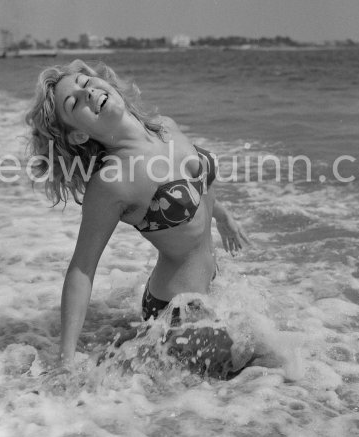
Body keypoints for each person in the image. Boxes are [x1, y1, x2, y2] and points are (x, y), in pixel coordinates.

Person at [26, 60, 249, 378]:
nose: (86, 91)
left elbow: (197, 187)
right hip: (179, 311)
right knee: (267, 375)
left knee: (274, 370)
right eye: (73, 102)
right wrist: (66, 360)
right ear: (77, 135)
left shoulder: (165, 127)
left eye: (84, 81)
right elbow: (82, 268)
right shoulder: (112, 181)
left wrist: (223, 217)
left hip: (215, 286)